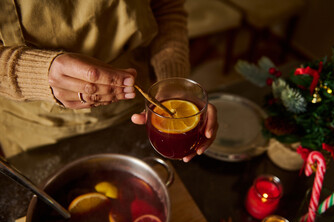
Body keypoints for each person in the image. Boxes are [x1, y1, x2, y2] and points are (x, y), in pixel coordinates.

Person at [0, 0, 217, 162]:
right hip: (37, 132)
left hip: (133, 116)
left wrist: (172, 80)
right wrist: (34, 73)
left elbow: (166, 8)